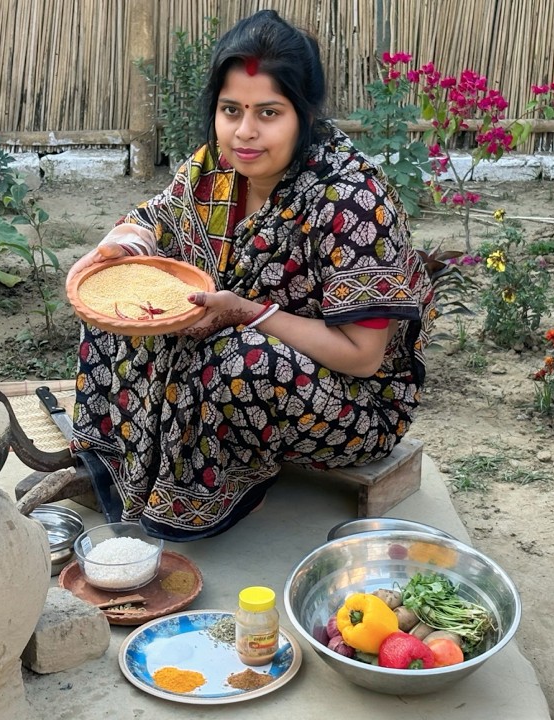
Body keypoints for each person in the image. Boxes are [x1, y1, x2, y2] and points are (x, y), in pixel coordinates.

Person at [58, 9, 437, 541]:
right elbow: (156, 219)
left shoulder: (350, 199)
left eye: (269, 113)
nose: (245, 132)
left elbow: (362, 355)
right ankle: (119, 466)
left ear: (303, 115)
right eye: (230, 109)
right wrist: (115, 249)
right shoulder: (217, 166)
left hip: (355, 403)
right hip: (245, 334)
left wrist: (248, 314)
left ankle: (224, 486)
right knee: (115, 309)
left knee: (231, 356)